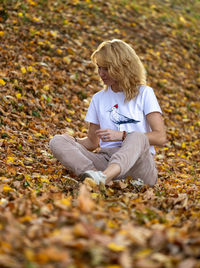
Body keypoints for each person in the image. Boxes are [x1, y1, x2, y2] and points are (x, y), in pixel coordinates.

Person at [49, 39, 166, 186]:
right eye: (99, 68)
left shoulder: (144, 93)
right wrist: (72, 141)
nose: (101, 73)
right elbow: (92, 142)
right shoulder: (98, 98)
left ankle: (103, 178)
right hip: (106, 160)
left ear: (121, 67)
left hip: (139, 166)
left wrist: (122, 135)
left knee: (136, 136)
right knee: (57, 141)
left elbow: (160, 137)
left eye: (106, 69)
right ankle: (94, 176)